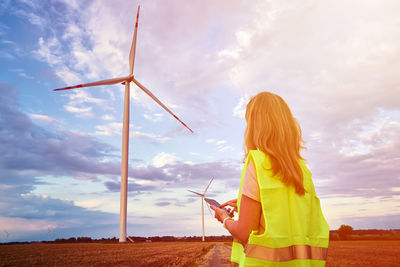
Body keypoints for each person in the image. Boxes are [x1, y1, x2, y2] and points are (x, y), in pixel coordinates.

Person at [211, 92, 329, 266]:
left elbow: (244, 233)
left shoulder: (258, 163)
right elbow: (289, 213)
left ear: (255, 126)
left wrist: (224, 219)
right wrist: (251, 206)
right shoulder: (302, 169)